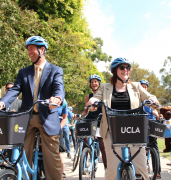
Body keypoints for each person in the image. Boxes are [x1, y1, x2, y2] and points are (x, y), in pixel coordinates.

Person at [0, 36, 65, 180]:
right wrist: (2, 103)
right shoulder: (24, 72)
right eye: (27, 49)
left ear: (42, 50)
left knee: (52, 158)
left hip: (47, 116)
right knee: (21, 153)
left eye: (31, 49)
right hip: (27, 118)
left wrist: (57, 98)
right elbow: (14, 90)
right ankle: (23, 176)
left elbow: (59, 87)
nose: (29, 52)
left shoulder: (55, 70)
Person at [87, 57, 159, 180]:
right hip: (112, 130)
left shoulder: (136, 86)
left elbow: (149, 96)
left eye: (128, 68)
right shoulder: (105, 87)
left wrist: (153, 100)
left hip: (134, 129)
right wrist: (92, 102)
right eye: (122, 67)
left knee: (142, 168)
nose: (125, 70)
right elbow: (96, 97)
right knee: (112, 170)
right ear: (115, 70)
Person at [81, 74, 107, 169]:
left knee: (102, 146)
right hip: (90, 119)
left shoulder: (103, 95)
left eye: (96, 81)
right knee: (85, 141)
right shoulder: (88, 96)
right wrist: (81, 116)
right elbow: (85, 111)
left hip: (100, 120)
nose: (94, 83)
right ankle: (83, 165)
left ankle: (107, 169)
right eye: (92, 82)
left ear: (99, 83)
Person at [140, 79, 161, 179]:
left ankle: (157, 171)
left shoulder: (152, 97)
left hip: (151, 122)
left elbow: (156, 106)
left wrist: (155, 110)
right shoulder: (137, 98)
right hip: (140, 123)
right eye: (142, 86)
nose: (144, 88)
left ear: (147, 88)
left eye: (145, 87)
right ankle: (139, 169)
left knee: (154, 146)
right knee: (139, 146)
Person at [58, 99, 68, 180]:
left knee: (58, 151)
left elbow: (65, 118)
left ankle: (62, 172)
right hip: (42, 128)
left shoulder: (63, 102)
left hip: (57, 128)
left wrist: (59, 128)